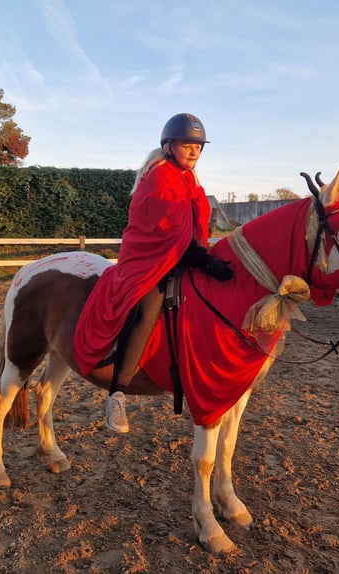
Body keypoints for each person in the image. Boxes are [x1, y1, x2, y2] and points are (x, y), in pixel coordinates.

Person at [103, 113, 234, 433]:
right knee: (151, 304)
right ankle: (116, 394)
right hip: (149, 259)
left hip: (183, 255)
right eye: (187, 145)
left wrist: (208, 256)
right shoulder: (160, 177)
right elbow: (169, 233)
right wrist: (204, 262)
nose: (194, 152)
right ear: (169, 145)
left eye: (199, 147)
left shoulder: (188, 178)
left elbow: (193, 227)